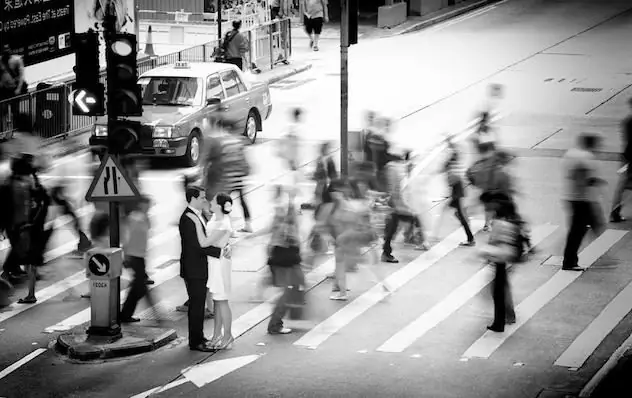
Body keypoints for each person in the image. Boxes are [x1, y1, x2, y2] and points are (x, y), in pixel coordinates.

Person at [179, 186, 226, 352]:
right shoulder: (187, 218)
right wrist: (219, 252)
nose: (204, 201)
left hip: (199, 267)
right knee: (196, 307)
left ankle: (199, 337)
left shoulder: (197, 215)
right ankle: (195, 341)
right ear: (193, 199)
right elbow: (198, 245)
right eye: (202, 198)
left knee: (199, 306)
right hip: (194, 269)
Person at [190, 193, 234, 350]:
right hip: (214, 263)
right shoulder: (216, 218)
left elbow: (204, 243)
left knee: (222, 301)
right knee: (217, 301)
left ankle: (227, 335)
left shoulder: (223, 223)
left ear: (219, 205)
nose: (210, 202)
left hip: (220, 264)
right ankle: (217, 335)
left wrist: (196, 223)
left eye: (214, 201)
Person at [562, 132, 607, 271]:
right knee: (578, 231)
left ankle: (570, 259)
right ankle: (569, 262)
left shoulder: (571, 153)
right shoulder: (585, 157)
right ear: (591, 144)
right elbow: (581, 178)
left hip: (571, 197)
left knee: (579, 229)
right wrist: (594, 181)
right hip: (581, 199)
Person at [478, 193, 519, 333]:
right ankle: (504, 318)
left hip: (500, 260)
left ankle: (500, 322)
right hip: (507, 259)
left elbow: (494, 241)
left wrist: (486, 254)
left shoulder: (499, 224)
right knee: (501, 290)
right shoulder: (511, 222)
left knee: (498, 292)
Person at [120, 197, 154, 323]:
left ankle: (125, 314)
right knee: (139, 287)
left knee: (140, 286)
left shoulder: (144, 217)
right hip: (133, 256)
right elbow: (126, 237)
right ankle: (125, 315)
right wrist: (126, 256)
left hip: (140, 256)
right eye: (146, 205)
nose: (148, 207)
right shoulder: (134, 218)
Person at [609, 97, 632, 222]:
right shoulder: (629, 122)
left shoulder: (627, 121)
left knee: (623, 184)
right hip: (629, 157)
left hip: (626, 156)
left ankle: (615, 211)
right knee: (623, 183)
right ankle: (615, 211)